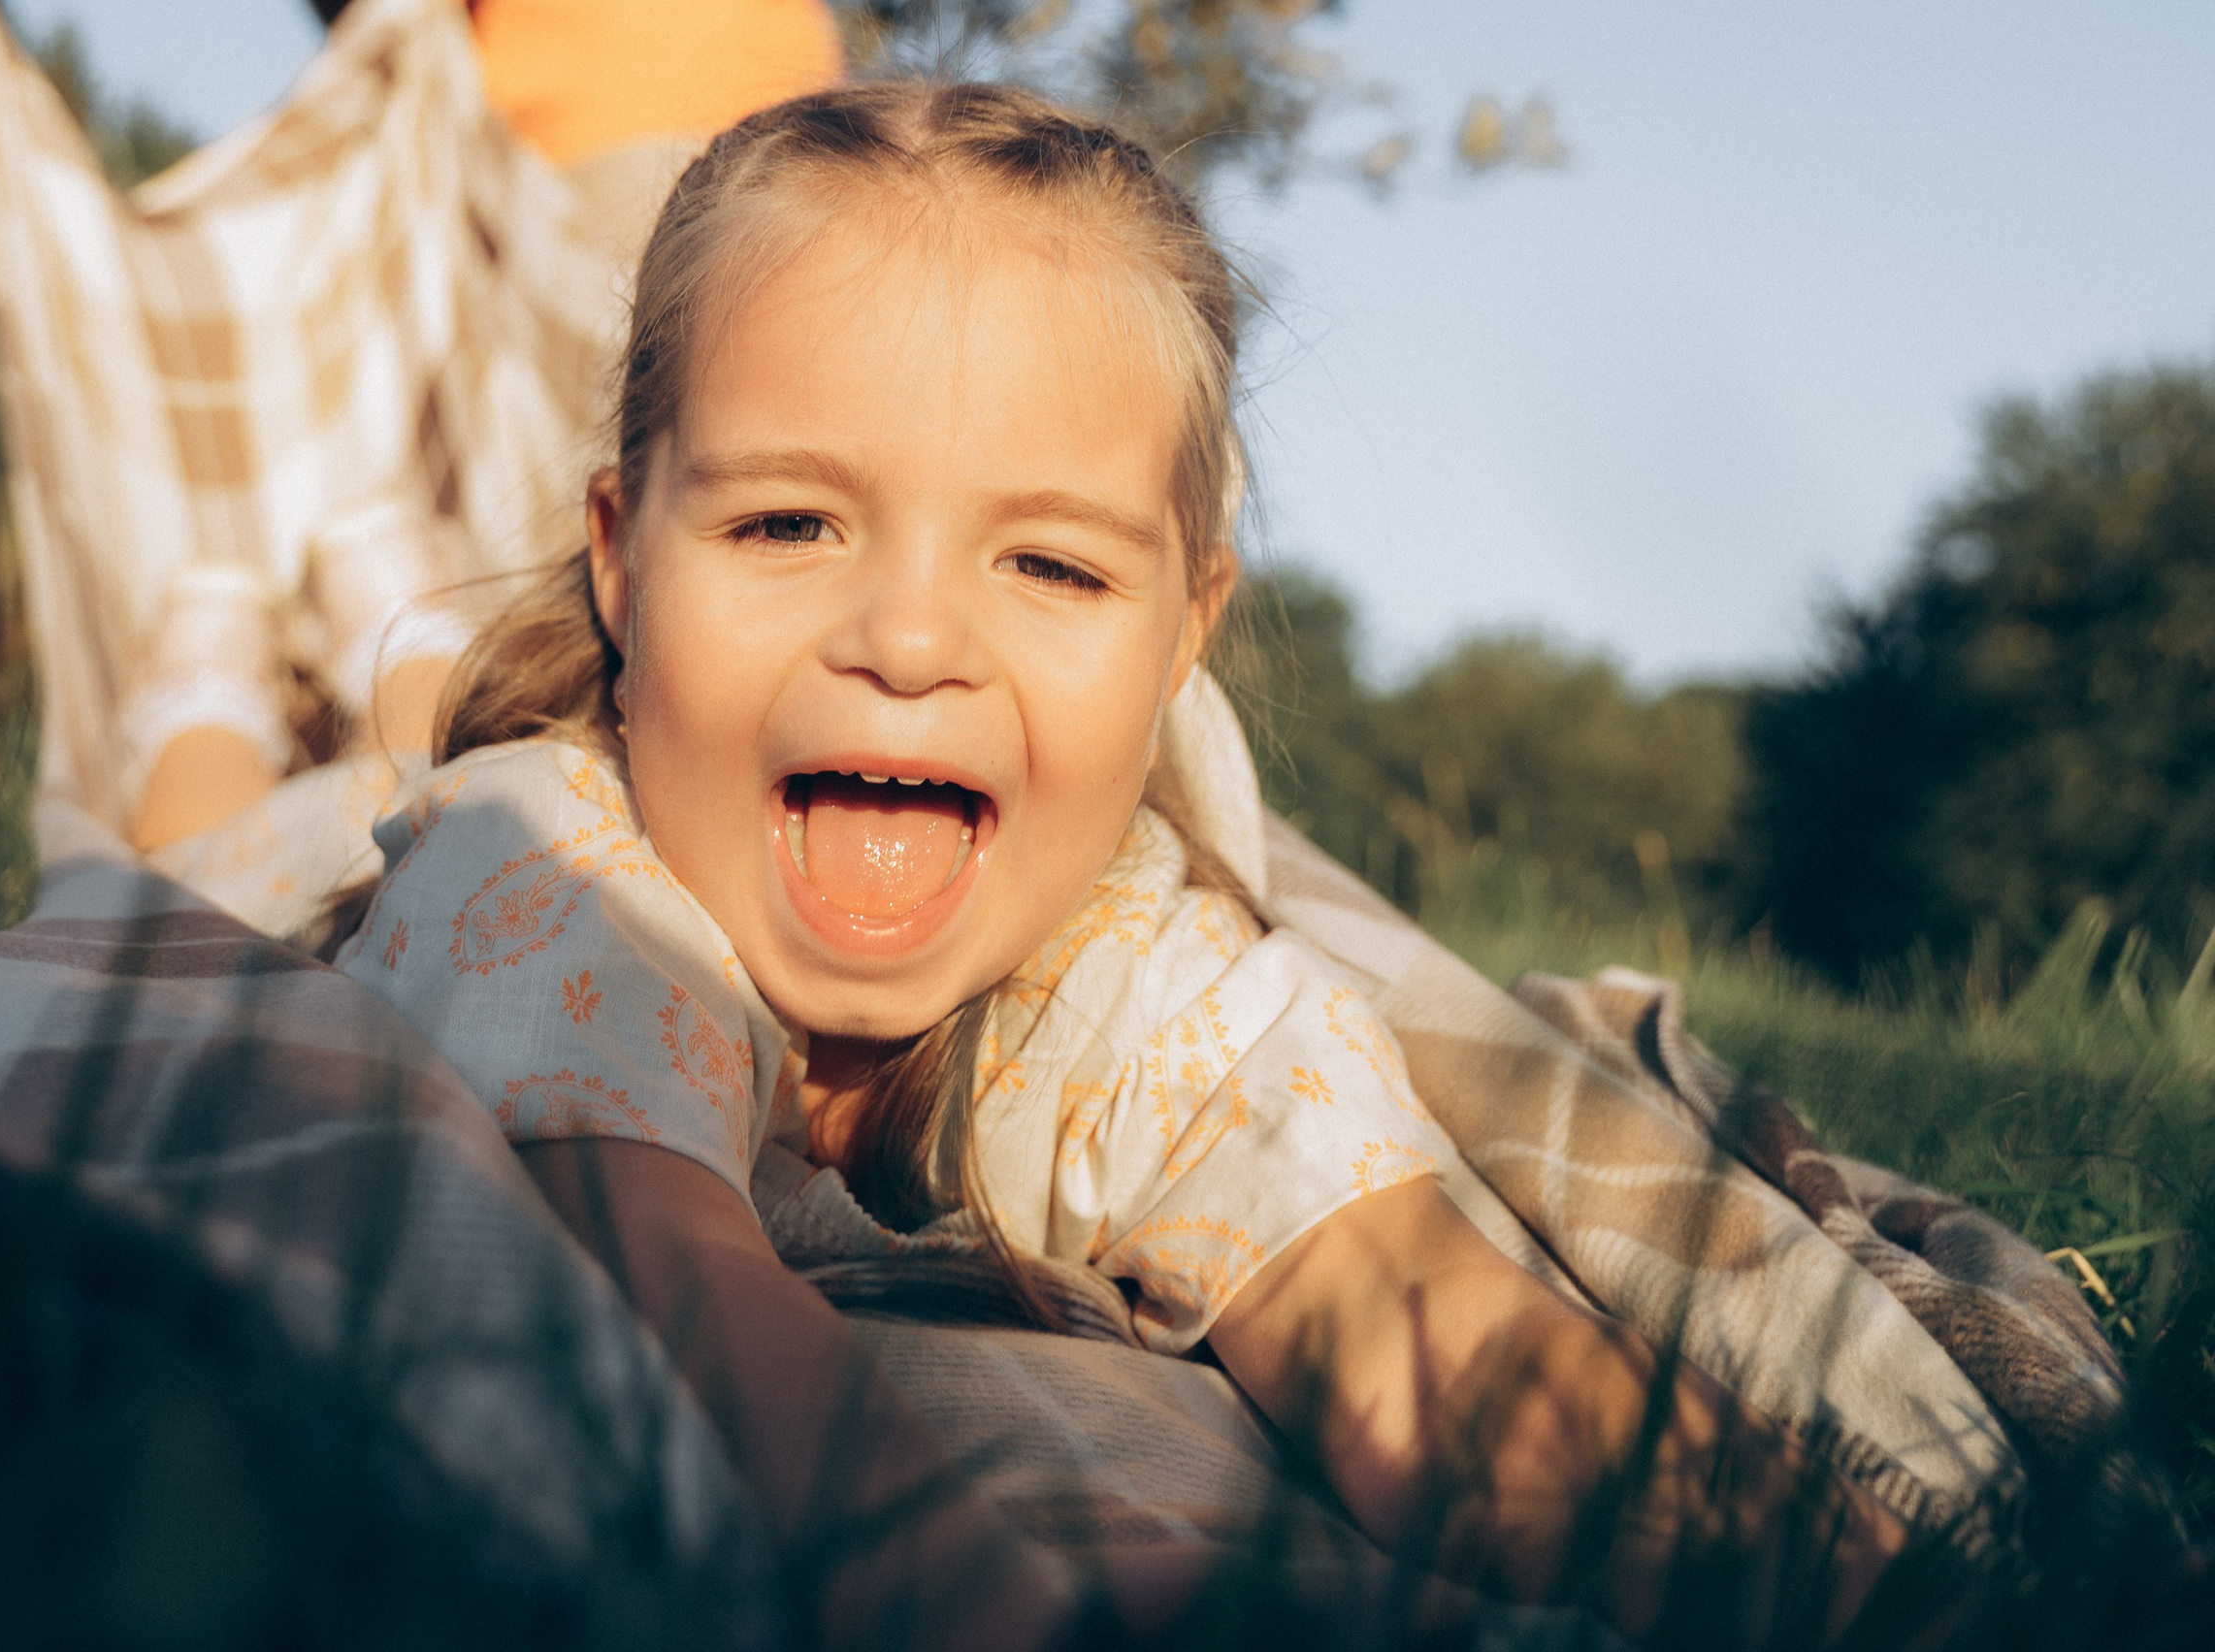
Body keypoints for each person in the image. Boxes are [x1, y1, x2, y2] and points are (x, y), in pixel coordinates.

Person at [122, 81, 1914, 1646]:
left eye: (1050, 567)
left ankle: (376, 607)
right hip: (316, 856)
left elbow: (1440, 1350)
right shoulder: (537, 876)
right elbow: (665, 1301)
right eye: (787, 522)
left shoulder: (1129, 968)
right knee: (203, 827)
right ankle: (217, 654)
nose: (909, 640)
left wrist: (1900, 1602)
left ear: (1185, 622)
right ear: (622, 548)